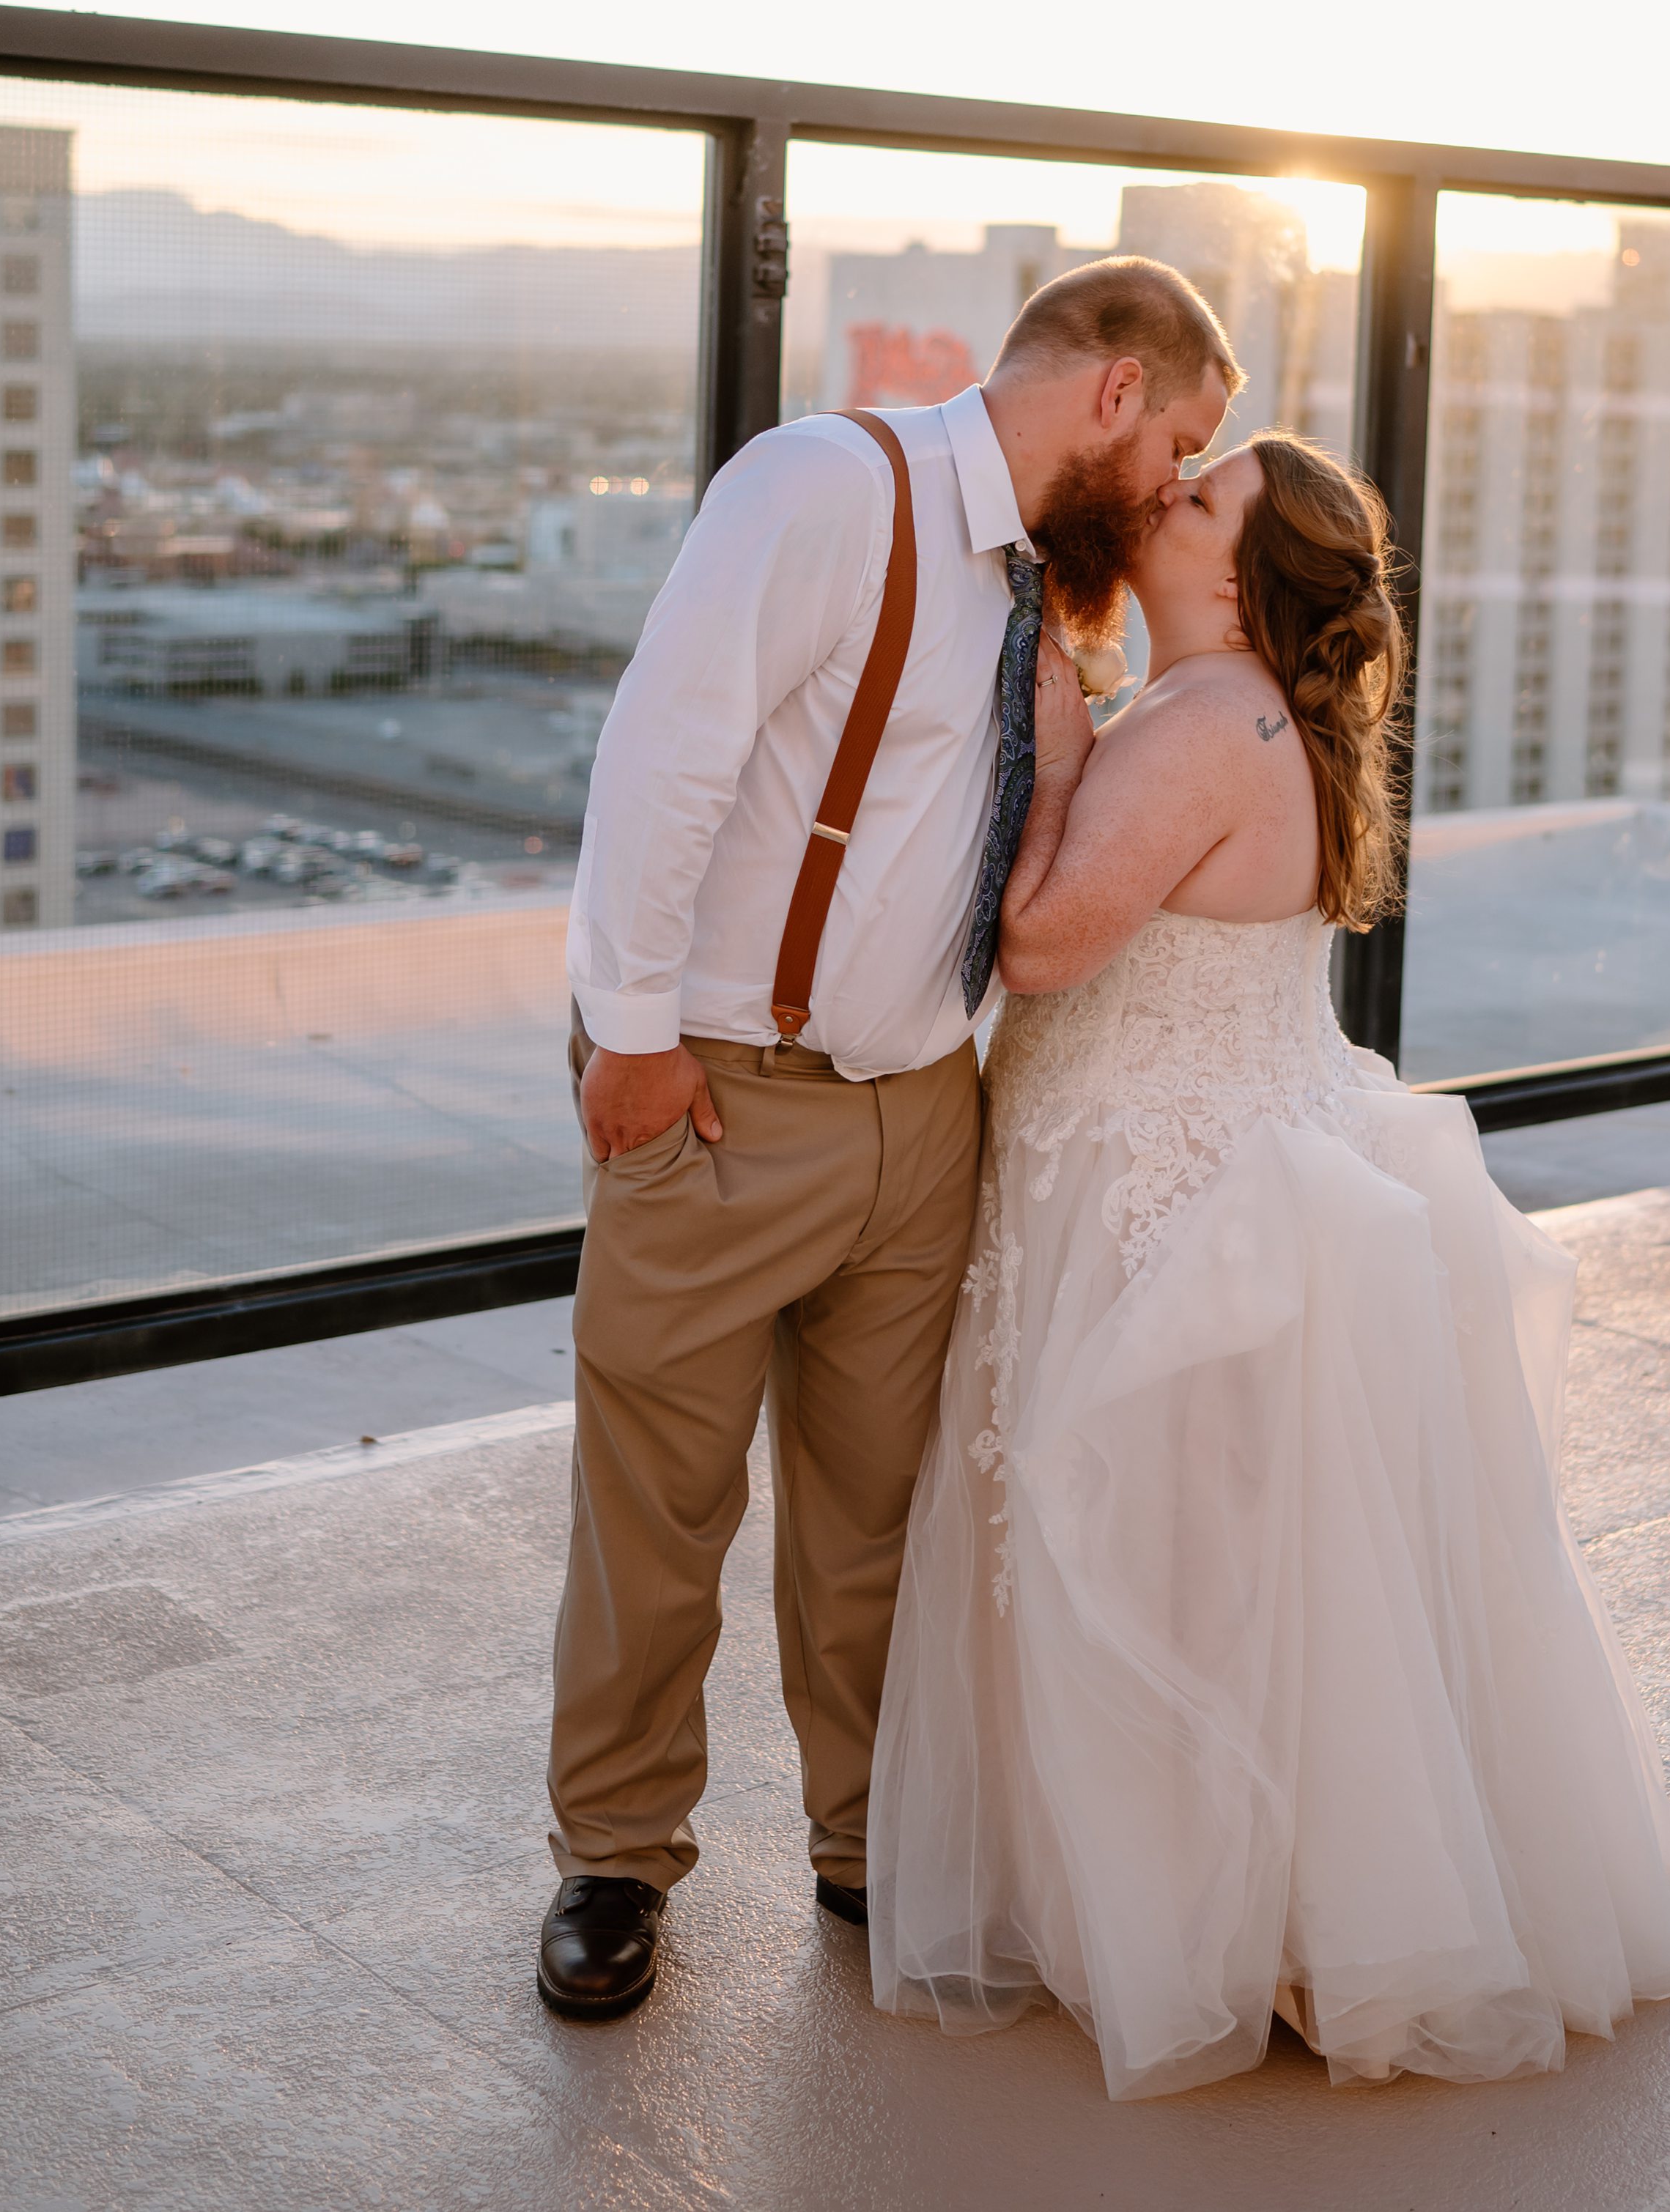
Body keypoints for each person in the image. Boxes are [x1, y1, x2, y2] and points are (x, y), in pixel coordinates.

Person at [869, 431, 1670, 2098]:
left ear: (1243, 578)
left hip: (1153, 1179)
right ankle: (1278, 1907)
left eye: (1198, 501)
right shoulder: (1263, 716)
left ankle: (1224, 1918)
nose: (1165, 500)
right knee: (1239, 1566)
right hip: (1230, 1156)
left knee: (1158, 1562)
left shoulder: (1200, 725)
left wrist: (1052, 739)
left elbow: (1045, 940)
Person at [536, 259, 1236, 2021]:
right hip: (717, 1093)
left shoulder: (1030, 582)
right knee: (658, 1513)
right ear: (1114, 384)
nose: (1170, 487)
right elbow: (666, 754)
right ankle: (617, 1859)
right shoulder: (821, 486)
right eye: (1181, 443)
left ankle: (867, 1842)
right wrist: (628, 1027)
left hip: (929, 1115)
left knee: (879, 1521)